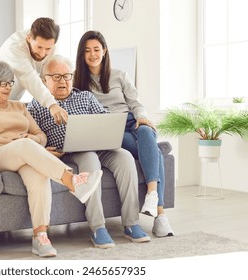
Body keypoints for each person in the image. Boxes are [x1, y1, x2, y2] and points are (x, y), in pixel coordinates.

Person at [0, 60, 103, 257]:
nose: (8, 87)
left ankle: (40, 237)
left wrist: (30, 141)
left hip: (21, 154)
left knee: (39, 175)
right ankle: (73, 181)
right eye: (2, 83)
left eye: (10, 82)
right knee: (25, 145)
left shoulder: (19, 107)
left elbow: (40, 136)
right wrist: (18, 141)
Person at [28, 55, 151, 249]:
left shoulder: (85, 97)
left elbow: (105, 119)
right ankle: (98, 227)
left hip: (101, 146)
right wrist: (43, 150)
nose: (63, 81)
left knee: (126, 157)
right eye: (57, 77)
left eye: (67, 76)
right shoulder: (36, 105)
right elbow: (31, 136)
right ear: (45, 80)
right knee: (90, 159)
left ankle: (131, 223)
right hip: (69, 153)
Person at [73, 30, 174, 238]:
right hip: (110, 128)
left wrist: (142, 116)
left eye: (97, 49)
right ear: (82, 54)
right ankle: (160, 215)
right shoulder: (77, 80)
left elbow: (135, 102)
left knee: (147, 130)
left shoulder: (120, 75)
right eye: (87, 51)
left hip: (130, 120)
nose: (93, 54)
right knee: (155, 153)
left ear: (104, 51)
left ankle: (153, 195)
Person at [0, 17, 68, 125]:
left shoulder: (50, 47)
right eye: (39, 47)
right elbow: (29, 77)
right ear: (29, 38)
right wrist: (51, 104)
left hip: (12, 103)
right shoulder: (15, 47)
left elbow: (45, 77)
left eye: (48, 49)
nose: (42, 53)